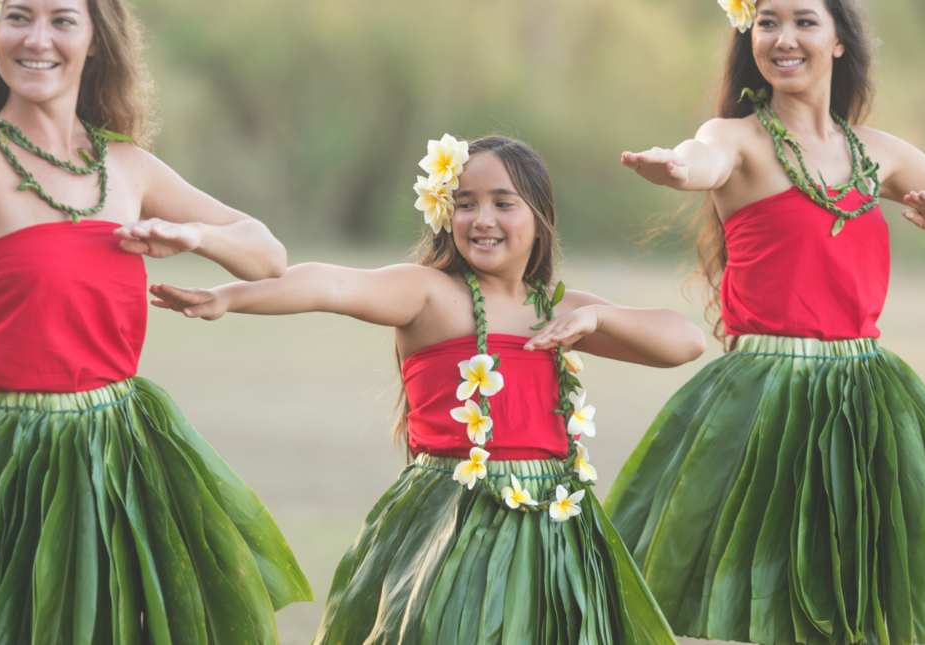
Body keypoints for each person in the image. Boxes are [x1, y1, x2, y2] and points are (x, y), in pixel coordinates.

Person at [150, 134, 707, 644]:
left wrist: (601, 322)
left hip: (553, 532)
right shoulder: (430, 295)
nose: (481, 218)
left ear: (540, 218)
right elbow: (332, 282)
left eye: (502, 202)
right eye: (465, 203)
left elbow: (685, 341)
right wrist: (230, 297)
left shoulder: (558, 309)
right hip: (450, 526)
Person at [603, 0, 925, 644]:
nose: (783, 38)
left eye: (804, 21)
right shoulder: (736, 138)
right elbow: (700, 159)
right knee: (760, 605)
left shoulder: (878, 153)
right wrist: (678, 169)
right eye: (767, 22)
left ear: (841, 42)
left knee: (858, 607)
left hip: (867, 400)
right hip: (761, 401)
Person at [0, 0, 312, 642]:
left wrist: (189, 235)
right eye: (17, 16)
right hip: (4, 461)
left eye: (62, 20)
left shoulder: (126, 167)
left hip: (118, 457)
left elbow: (267, 254)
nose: (36, 38)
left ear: (97, 41)